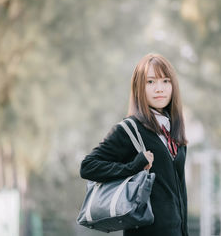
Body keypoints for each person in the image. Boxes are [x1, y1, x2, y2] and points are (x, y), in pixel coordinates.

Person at [80, 53, 189, 236]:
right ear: (139, 87)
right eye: (151, 82)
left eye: (165, 81)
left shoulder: (175, 134)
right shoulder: (130, 130)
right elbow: (88, 167)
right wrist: (133, 167)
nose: (159, 89)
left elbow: (180, 195)